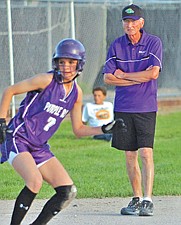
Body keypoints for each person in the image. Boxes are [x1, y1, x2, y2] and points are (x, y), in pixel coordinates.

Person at [0, 38, 125, 225]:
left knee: (67, 191)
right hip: (19, 137)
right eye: (62, 61)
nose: (66, 66)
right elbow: (10, 91)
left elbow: (78, 129)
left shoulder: (76, 93)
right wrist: (1, 121)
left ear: (79, 64)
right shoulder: (46, 80)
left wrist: (104, 128)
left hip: (39, 146)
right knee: (34, 181)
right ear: (56, 63)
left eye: (71, 62)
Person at [103, 4, 162, 216]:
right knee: (130, 155)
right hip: (123, 107)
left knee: (146, 153)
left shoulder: (153, 42)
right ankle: (136, 198)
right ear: (123, 23)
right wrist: (138, 77)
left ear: (141, 23)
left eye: (134, 21)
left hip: (145, 107)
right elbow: (107, 78)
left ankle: (148, 200)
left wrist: (123, 75)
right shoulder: (116, 45)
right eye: (126, 21)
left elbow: (153, 74)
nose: (130, 25)